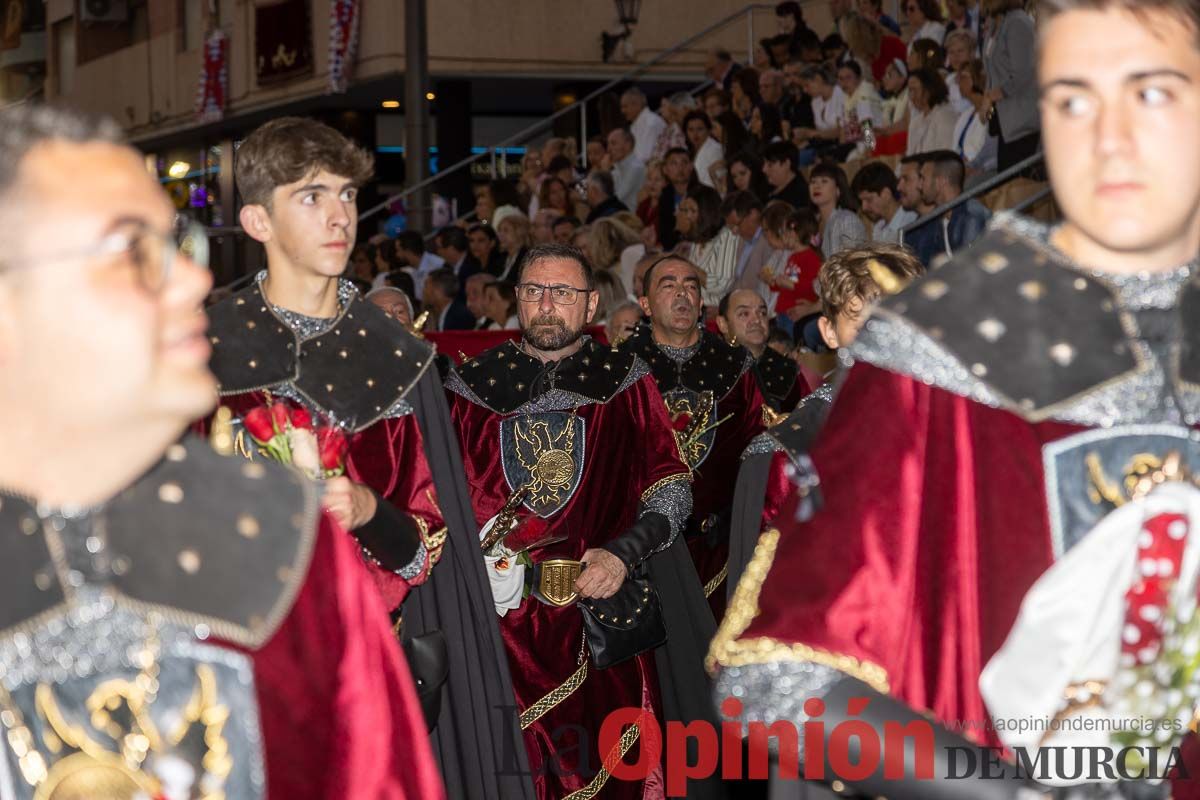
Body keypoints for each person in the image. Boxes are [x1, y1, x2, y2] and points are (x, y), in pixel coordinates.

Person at [710, 0, 1200, 795]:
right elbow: (776, 683)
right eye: (1074, 97)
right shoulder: (945, 345)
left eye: (1151, 93)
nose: (1108, 134)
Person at [0, 103, 447, 800]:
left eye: (181, 248)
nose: (192, 283)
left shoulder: (285, 543)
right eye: (131, 251)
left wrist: (372, 512)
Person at [202, 118, 531, 799]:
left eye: (348, 195)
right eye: (312, 196)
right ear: (257, 220)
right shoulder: (203, 346)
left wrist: (368, 509)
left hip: (363, 658)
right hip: (227, 662)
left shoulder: (399, 361)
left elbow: (425, 548)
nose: (340, 216)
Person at [445, 244, 720, 800]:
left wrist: (623, 554)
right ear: (517, 299)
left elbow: (670, 486)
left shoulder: (623, 380)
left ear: (592, 302)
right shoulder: (472, 386)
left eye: (563, 293)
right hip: (501, 628)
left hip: (599, 619)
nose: (547, 306)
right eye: (534, 291)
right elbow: (443, 504)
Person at [726, 242, 923, 600]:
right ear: (829, 332)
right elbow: (769, 603)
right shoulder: (786, 455)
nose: (883, 337)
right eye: (861, 321)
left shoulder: (961, 428)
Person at [621, 255, 765, 613]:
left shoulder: (734, 365)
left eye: (690, 286)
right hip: (644, 550)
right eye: (668, 286)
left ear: (702, 303)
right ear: (645, 304)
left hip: (721, 544)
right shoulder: (621, 369)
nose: (681, 294)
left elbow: (758, 450)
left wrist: (737, 519)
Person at [719, 289, 812, 414]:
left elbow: (808, 419)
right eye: (744, 314)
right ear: (723, 324)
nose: (757, 320)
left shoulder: (787, 371)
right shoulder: (708, 366)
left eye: (762, 313)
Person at [982, 0, 1041, 171]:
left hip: (1022, 121)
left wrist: (993, 95)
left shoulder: (1018, 23)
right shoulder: (995, 24)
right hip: (1005, 122)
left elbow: (1024, 73)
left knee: (1016, 184)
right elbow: (992, 69)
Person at [676, 185, 743, 309]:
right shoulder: (697, 242)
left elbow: (720, 284)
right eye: (683, 210)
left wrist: (685, 264)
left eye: (691, 210)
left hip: (715, 313)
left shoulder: (727, 237)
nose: (685, 215)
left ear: (706, 213)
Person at [763, 206, 823, 339]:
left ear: (795, 234)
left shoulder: (811, 257)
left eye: (786, 233)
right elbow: (790, 280)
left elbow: (812, 287)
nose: (783, 237)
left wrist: (791, 285)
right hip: (783, 311)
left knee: (790, 343)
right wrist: (774, 283)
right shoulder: (792, 257)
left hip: (794, 312)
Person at [920, 149, 992, 259]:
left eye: (923, 179)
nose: (920, 186)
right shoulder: (940, 218)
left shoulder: (971, 215)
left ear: (940, 182)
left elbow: (972, 265)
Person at [809, 161, 867, 259]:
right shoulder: (811, 222)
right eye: (813, 182)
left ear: (838, 189)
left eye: (824, 181)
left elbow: (855, 261)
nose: (816, 186)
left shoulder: (847, 220)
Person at [953, 57, 1000, 176]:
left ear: (977, 78)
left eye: (963, 77)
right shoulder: (965, 114)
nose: (958, 82)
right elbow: (955, 147)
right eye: (958, 78)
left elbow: (989, 148)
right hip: (961, 167)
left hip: (979, 169)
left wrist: (971, 166)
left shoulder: (992, 110)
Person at [852, 160, 919, 243]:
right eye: (861, 201)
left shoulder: (910, 221)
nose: (864, 207)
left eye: (869, 199)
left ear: (886, 194)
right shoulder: (878, 227)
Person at [906, 66, 960, 154]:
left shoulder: (945, 115)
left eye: (915, 90)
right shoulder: (916, 121)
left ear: (929, 89)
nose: (911, 96)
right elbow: (910, 156)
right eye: (910, 91)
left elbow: (947, 155)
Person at [657, 147, 699, 251]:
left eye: (684, 163)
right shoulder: (665, 196)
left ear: (691, 166)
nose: (680, 168)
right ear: (665, 170)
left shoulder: (702, 194)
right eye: (674, 163)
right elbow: (664, 235)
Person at [394, 230, 445, 302]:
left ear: (408, 251)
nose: (397, 255)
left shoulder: (437, 265)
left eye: (398, 250)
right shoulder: (407, 270)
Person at [619, 86, 666, 165]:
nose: (622, 111)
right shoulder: (636, 124)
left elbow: (645, 156)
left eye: (625, 106)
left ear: (636, 104)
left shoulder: (650, 123)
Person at [434, 225, 483, 298]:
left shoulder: (472, 268)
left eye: (439, 248)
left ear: (451, 249)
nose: (437, 252)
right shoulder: (446, 268)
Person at [606, 126, 646, 210]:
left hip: (630, 218)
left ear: (628, 145)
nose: (608, 149)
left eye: (613, 143)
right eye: (608, 144)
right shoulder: (616, 169)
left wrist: (605, 172)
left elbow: (616, 198)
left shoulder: (636, 168)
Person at [682, 110, 724, 189]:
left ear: (708, 130)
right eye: (690, 130)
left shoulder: (715, 150)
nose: (695, 134)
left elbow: (720, 182)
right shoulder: (689, 152)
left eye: (700, 129)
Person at [762, 141, 810, 208]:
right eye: (764, 163)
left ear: (786, 164)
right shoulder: (765, 187)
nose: (764, 169)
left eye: (770, 165)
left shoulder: (800, 196)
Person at [495, 211, 532, 282]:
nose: (500, 235)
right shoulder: (501, 258)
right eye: (499, 230)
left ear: (520, 232)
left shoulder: (527, 258)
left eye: (506, 230)